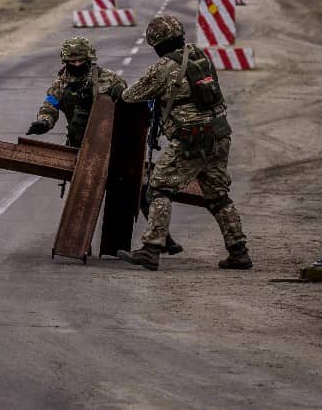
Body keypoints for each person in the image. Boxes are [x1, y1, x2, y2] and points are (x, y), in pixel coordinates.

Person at [116, 15, 252, 271]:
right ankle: (239, 252)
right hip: (219, 133)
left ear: (157, 44)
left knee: (159, 188)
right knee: (217, 196)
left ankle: (151, 248)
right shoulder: (200, 56)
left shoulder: (164, 67)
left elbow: (130, 95)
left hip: (191, 138)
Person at [28, 36, 183, 255]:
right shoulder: (59, 86)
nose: (77, 65)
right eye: (72, 62)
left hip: (114, 146)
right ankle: (79, 244)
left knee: (136, 192)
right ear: (65, 61)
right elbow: (50, 107)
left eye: (81, 61)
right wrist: (43, 123)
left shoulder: (109, 80)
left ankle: (164, 239)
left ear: (89, 59)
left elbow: (132, 104)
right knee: (81, 197)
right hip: (80, 149)